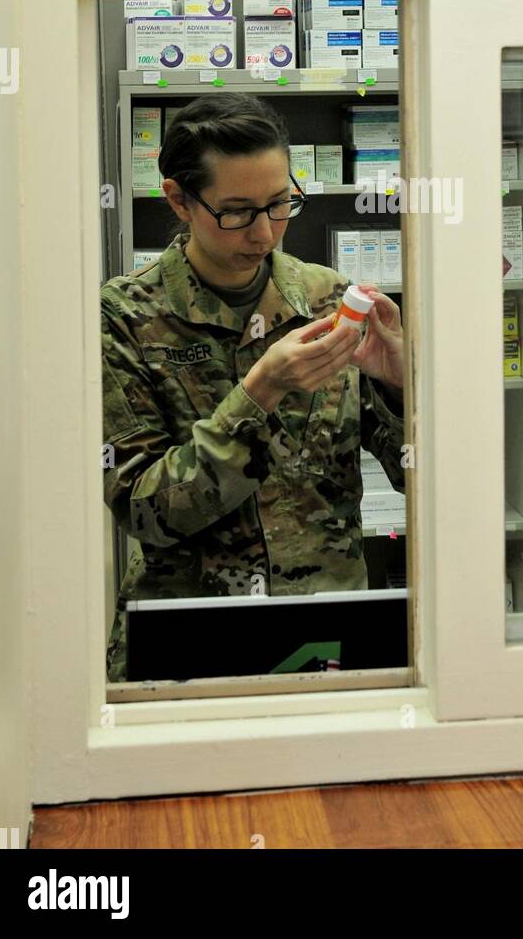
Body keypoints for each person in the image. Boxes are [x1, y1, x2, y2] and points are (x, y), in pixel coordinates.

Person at [101, 92, 406, 682]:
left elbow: (422, 480)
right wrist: (257, 393)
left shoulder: (326, 299)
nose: (265, 233)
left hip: (330, 628)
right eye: (237, 211)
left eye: (280, 204)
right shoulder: (124, 317)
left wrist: (401, 389)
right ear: (179, 200)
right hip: (191, 635)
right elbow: (145, 510)